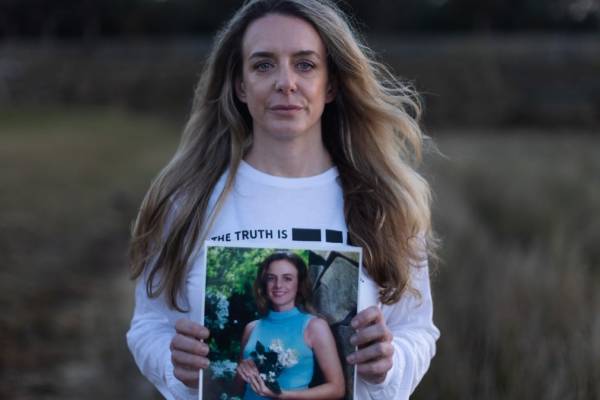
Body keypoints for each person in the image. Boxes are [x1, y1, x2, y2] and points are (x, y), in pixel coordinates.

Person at [126, 0, 440, 399]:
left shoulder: (385, 205)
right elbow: (148, 325)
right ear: (240, 85)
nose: (285, 82)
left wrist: (391, 363)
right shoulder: (186, 202)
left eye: (305, 65)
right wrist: (175, 364)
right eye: (263, 65)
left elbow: (417, 329)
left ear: (331, 84)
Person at [235, 252, 344, 399]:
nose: (278, 285)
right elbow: (238, 389)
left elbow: (337, 389)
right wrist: (242, 370)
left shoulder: (314, 326)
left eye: (287, 278)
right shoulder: (251, 328)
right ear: (264, 283)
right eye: (271, 278)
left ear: (299, 284)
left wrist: (281, 395)